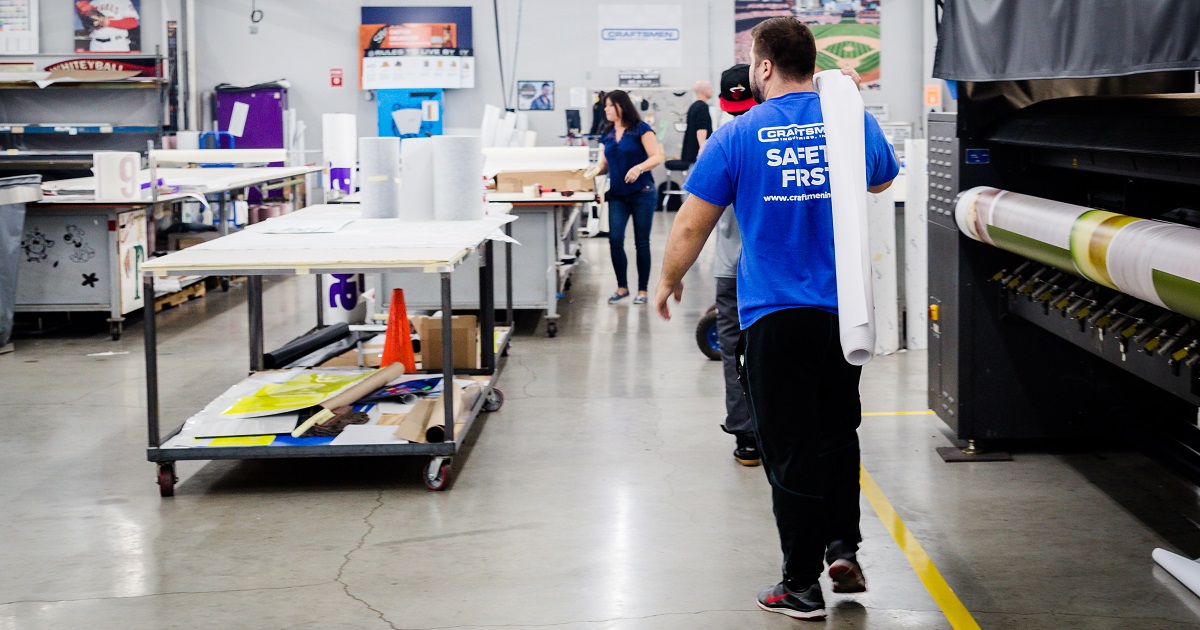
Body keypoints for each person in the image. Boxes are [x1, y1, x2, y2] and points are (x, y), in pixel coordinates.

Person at [652, 17, 898, 621]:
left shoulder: (738, 136)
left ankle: (800, 584)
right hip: (844, 318)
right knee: (837, 435)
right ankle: (843, 548)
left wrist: (667, 280)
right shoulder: (849, 123)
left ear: (763, 67)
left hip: (774, 316)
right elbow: (884, 176)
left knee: (787, 447)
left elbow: (691, 222)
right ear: (811, 64)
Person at [712, 64, 757, 467]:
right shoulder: (776, 137)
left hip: (731, 267)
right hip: (771, 266)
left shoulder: (723, 140)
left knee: (735, 353)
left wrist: (670, 276)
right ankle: (777, 429)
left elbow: (694, 218)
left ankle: (746, 436)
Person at [588, 89, 664, 304]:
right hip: (617, 195)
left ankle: (643, 291)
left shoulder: (641, 129)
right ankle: (622, 287)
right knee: (615, 240)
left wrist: (639, 168)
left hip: (642, 194)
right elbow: (604, 165)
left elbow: (656, 157)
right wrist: (591, 173)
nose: (605, 109)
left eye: (609, 105)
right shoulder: (608, 132)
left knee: (641, 242)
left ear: (621, 106)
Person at [680, 80, 714, 163]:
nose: (712, 90)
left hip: (690, 152)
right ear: (703, 91)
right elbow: (701, 128)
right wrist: (702, 147)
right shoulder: (702, 107)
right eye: (709, 88)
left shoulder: (693, 106)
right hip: (697, 154)